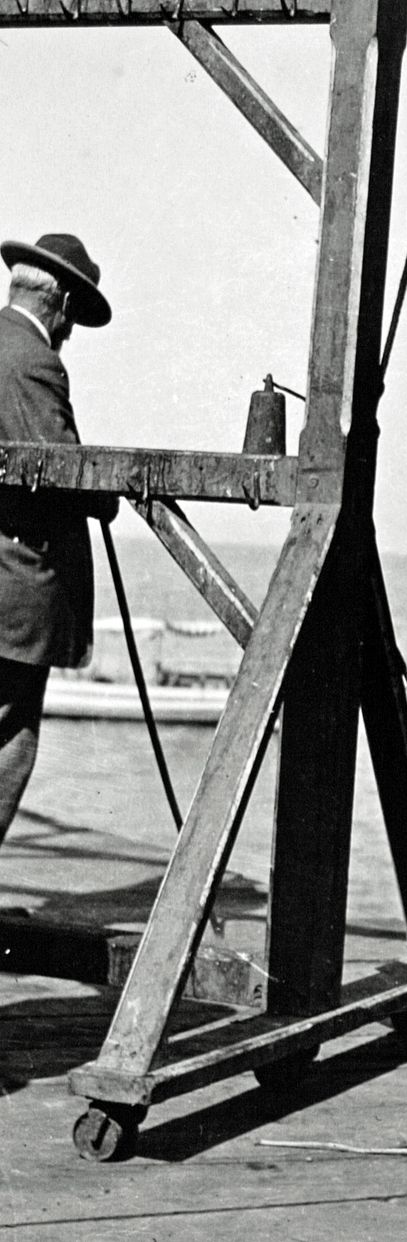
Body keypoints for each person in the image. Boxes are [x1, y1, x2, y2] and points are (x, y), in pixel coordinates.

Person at [0, 233, 115, 846]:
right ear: (62, 302)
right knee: (11, 739)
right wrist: (109, 495)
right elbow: (60, 467)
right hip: (14, 591)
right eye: (73, 319)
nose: (70, 333)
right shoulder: (36, 362)